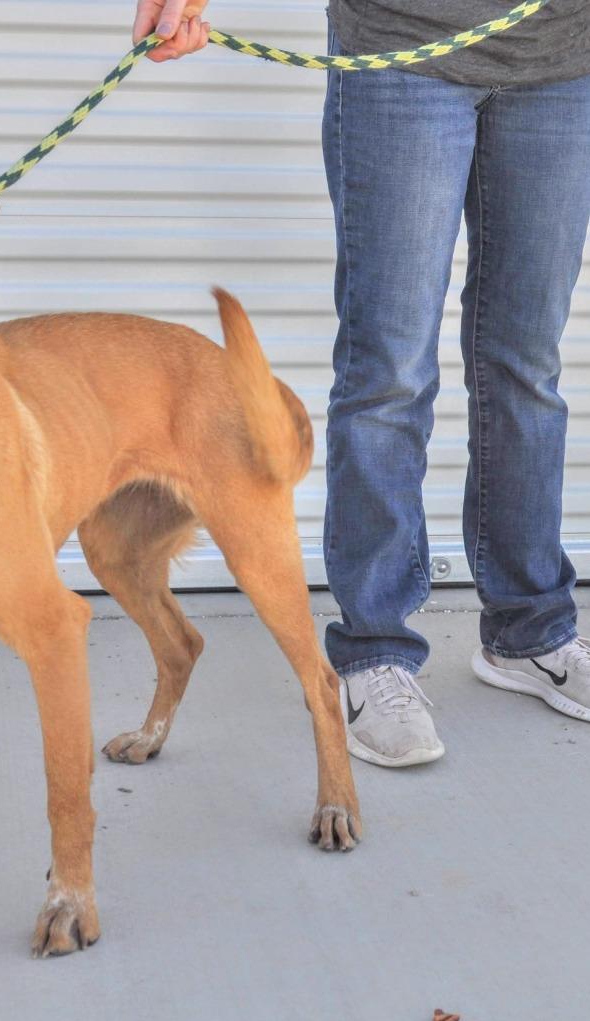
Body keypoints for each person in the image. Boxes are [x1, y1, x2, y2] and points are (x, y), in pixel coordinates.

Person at [132, 0, 590, 766]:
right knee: (390, 370)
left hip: (563, 59)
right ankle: (374, 651)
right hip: (403, 50)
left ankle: (529, 634)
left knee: (527, 363)